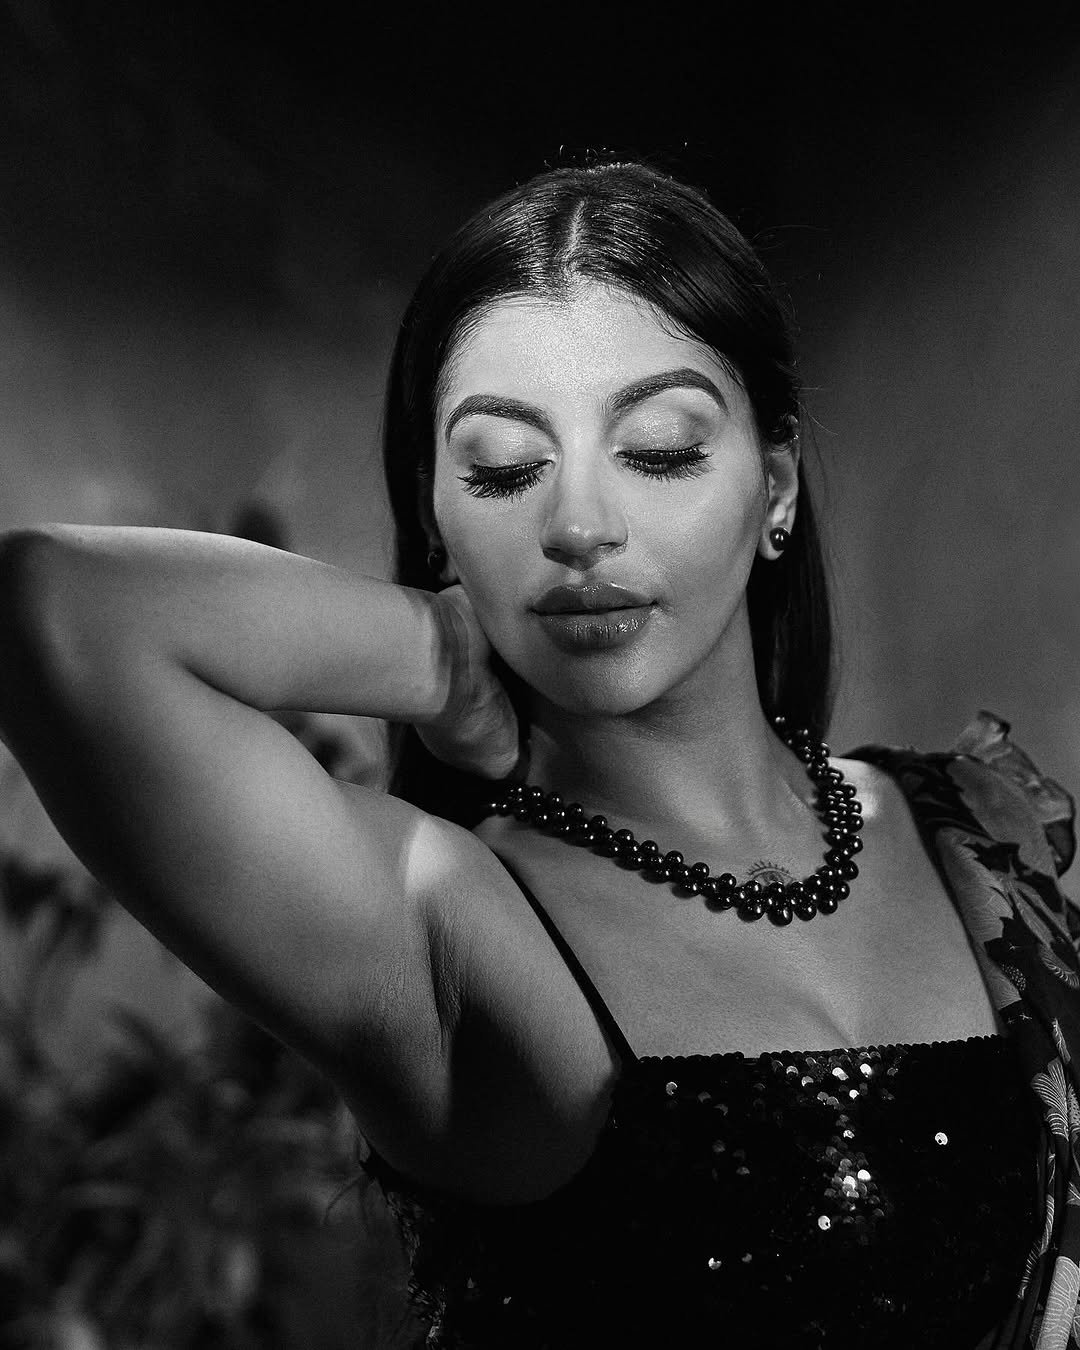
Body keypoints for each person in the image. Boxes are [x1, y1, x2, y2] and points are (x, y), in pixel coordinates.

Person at [0, 161, 1077, 1349]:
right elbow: (53, 608)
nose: (578, 527)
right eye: (506, 470)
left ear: (773, 487)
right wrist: (437, 655)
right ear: (436, 512)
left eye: (659, 449)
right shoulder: (445, 917)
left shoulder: (972, 832)